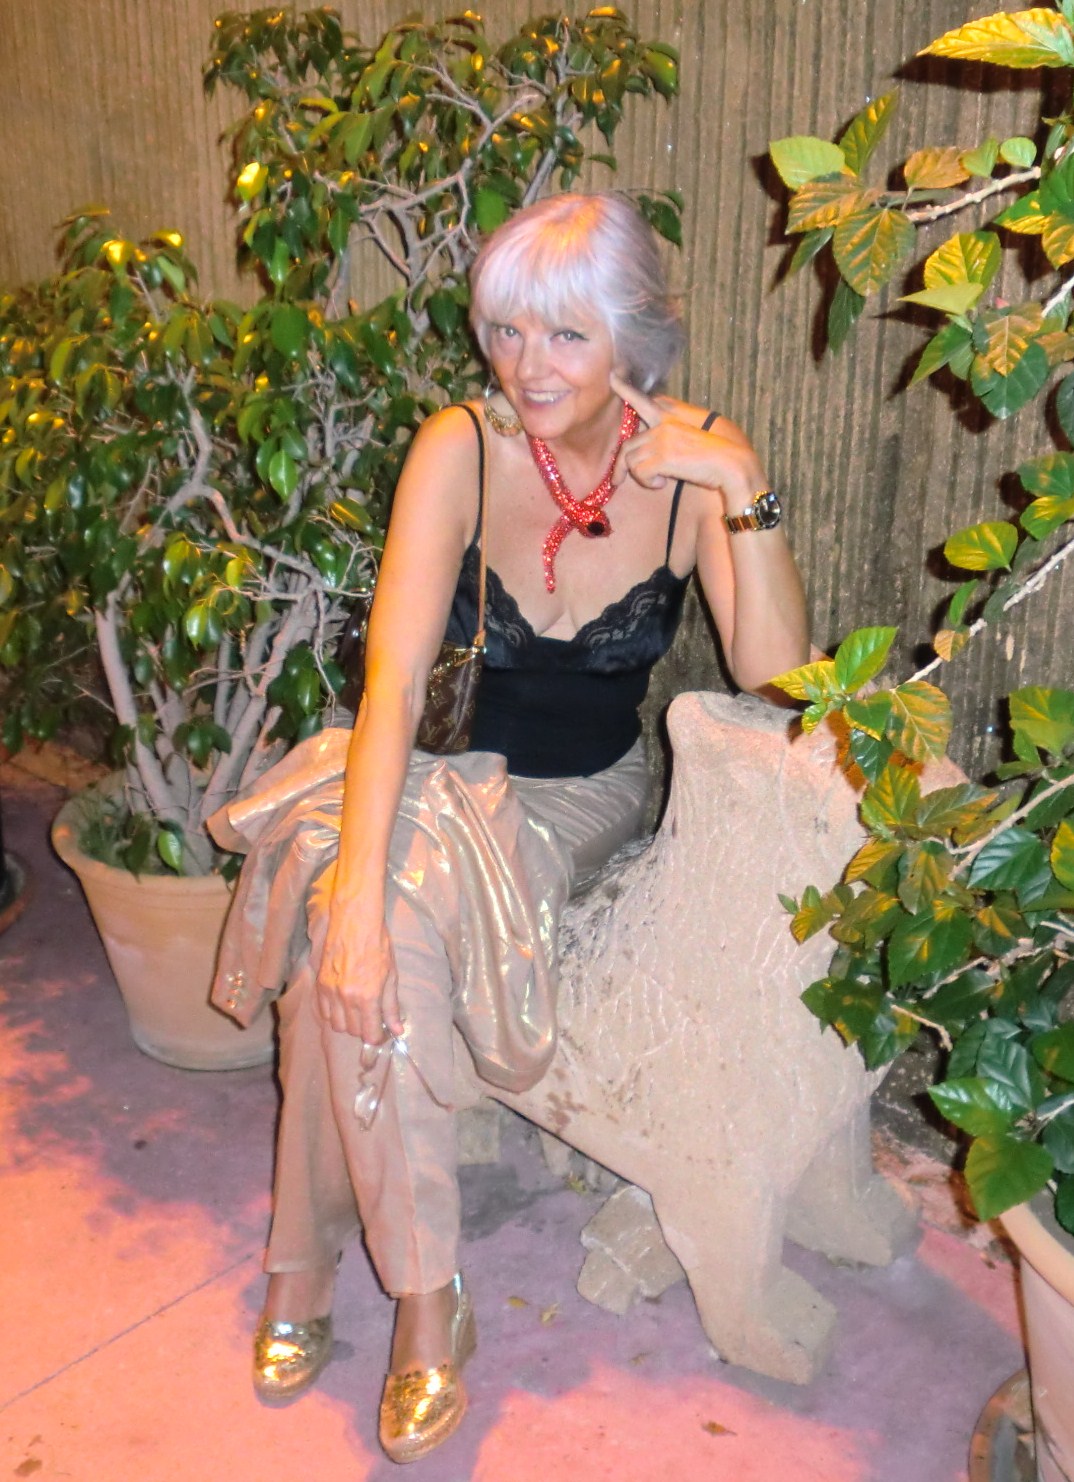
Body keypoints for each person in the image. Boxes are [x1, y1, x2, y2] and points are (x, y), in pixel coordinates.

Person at [212, 191, 809, 1464]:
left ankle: (304, 1264)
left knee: (374, 927)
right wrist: (356, 900)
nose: (527, 366)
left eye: (566, 336)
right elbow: (391, 682)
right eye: (507, 330)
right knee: (349, 943)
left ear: (634, 338)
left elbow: (778, 675)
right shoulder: (461, 448)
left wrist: (746, 484)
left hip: (576, 799)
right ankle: (427, 1296)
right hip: (433, 776)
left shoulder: (688, 473)